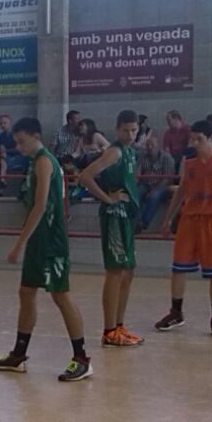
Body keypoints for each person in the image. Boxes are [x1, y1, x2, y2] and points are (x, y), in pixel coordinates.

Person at [0, 117, 92, 382]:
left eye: (22, 141)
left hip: (50, 241)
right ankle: (19, 354)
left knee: (61, 296)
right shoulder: (35, 162)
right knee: (26, 292)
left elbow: (41, 205)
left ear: (36, 136)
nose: (19, 146)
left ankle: (82, 358)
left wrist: (18, 244)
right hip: (39, 240)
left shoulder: (45, 161)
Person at [154, 120, 212, 339]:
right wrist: (168, 219)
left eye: (199, 139)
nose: (194, 143)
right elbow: (181, 191)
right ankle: (176, 312)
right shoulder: (188, 160)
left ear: (211, 139)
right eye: (192, 139)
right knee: (178, 268)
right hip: (188, 219)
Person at [78, 110, 144, 348]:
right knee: (115, 272)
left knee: (129, 271)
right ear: (117, 129)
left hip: (127, 215)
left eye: (134, 130)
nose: (130, 134)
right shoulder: (114, 151)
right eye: (126, 130)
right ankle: (109, 330)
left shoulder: (130, 151)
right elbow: (85, 176)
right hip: (114, 216)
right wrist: (107, 198)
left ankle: (119, 325)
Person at [137, 132, 176, 231]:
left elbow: (168, 178)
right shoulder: (142, 156)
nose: (149, 147)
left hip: (162, 186)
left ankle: (144, 223)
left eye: (152, 145)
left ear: (157, 146)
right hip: (145, 184)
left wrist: (154, 190)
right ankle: (136, 221)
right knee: (135, 194)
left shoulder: (167, 158)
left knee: (154, 196)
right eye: (147, 145)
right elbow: (138, 172)